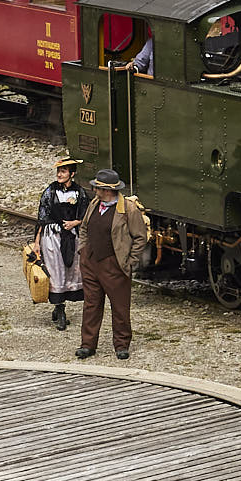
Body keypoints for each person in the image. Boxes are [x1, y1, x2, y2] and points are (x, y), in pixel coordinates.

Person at [73, 167, 149, 362]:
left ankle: (122, 345)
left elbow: (140, 237)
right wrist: (83, 250)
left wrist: (129, 261)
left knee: (120, 306)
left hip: (115, 264)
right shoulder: (94, 203)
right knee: (91, 305)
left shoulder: (128, 210)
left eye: (97, 187)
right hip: (91, 262)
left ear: (107, 190)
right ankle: (87, 344)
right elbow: (84, 227)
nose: (95, 189)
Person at [31, 155, 86, 329]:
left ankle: (59, 307)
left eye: (63, 171)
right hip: (52, 237)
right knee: (56, 271)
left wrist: (74, 223)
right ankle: (60, 309)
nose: (59, 174)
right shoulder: (50, 192)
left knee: (70, 271)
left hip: (71, 237)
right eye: (58, 171)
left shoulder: (79, 192)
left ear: (72, 173)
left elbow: (85, 214)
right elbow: (42, 217)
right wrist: (37, 243)